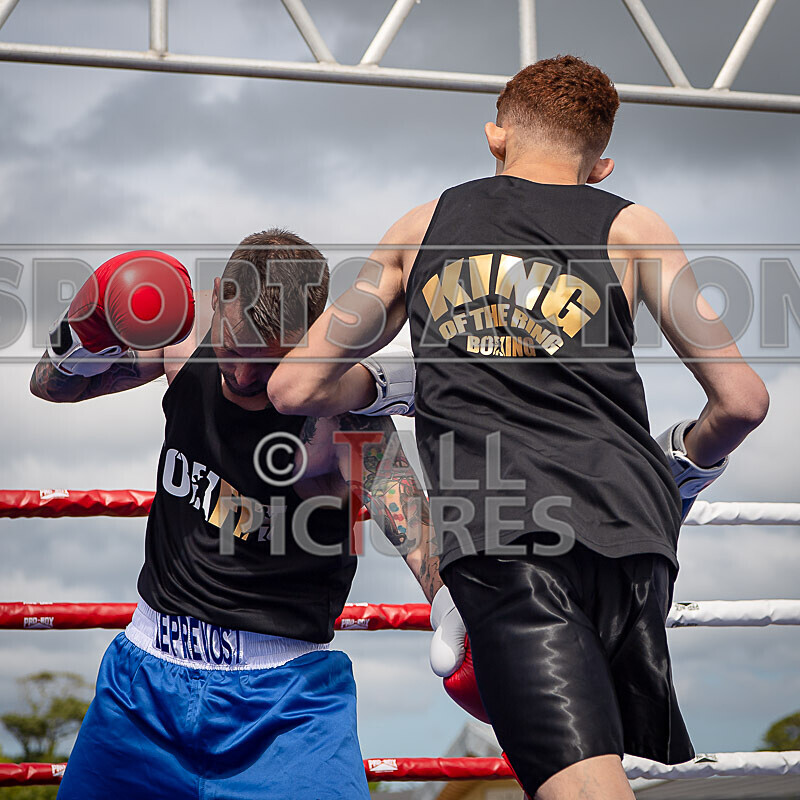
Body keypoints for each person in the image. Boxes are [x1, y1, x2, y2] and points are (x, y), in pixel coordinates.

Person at [267, 56, 770, 799]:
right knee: (603, 776)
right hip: (635, 542)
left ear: (495, 135)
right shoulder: (634, 225)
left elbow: (295, 385)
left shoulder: (424, 225)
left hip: (509, 542)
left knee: (580, 789)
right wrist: (685, 467)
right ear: (600, 165)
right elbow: (742, 401)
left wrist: (392, 379)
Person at [30, 232, 439, 800]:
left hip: (284, 708)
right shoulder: (180, 336)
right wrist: (77, 340)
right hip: (142, 688)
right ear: (220, 295)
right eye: (235, 348)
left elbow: (413, 524)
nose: (244, 377)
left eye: (268, 360)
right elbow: (50, 388)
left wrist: (458, 609)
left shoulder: (337, 409)